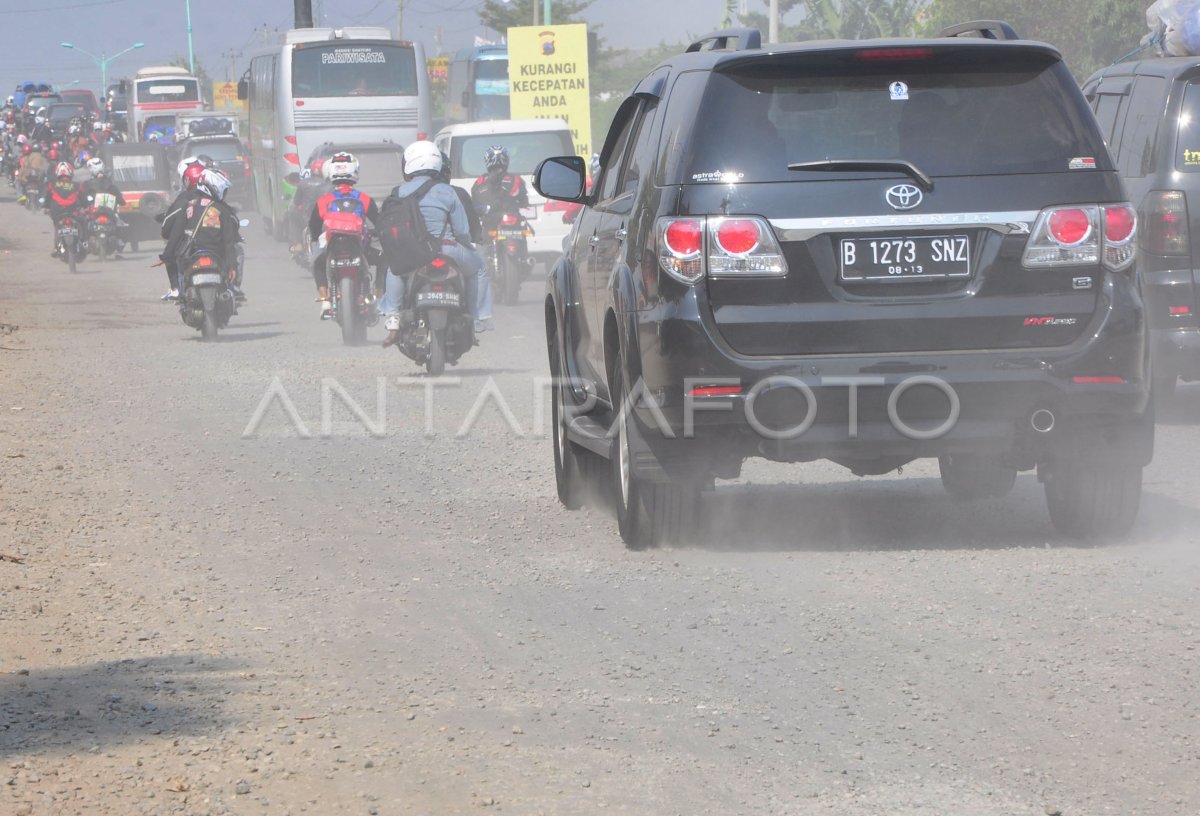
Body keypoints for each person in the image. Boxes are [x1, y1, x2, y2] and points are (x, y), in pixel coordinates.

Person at [379, 140, 489, 348]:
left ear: (408, 164)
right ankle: (476, 319)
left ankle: (392, 316)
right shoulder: (448, 191)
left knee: (395, 269)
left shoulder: (399, 192)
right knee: (480, 268)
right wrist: (468, 247)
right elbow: (462, 231)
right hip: (449, 249)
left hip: (412, 253)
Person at [307, 151, 381, 319]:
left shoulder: (324, 200)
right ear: (355, 171)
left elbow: (314, 226)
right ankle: (378, 296)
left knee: (318, 264)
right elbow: (379, 221)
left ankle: (325, 300)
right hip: (360, 247)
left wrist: (315, 238)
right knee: (384, 260)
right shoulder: (364, 198)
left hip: (333, 248)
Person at [162, 167, 242, 298]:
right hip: (216, 255)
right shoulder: (222, 209)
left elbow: (175, 235)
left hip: (190, 255)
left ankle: (178, 292)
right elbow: (229, 241)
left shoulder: (187, 205)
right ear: (216, 187)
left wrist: (167, 255)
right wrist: (232, 266)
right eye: (225, 190)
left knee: (179, 265)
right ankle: (232, 288)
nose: (226, 193)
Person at [158, 158, 207, 300]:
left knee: (173, 255)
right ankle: (233, 287)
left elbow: (169, 227)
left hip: (192, 246)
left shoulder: (183, 201)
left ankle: (176, 290)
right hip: (212, 244)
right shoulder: (215, 199)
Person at [470, 144, 529, 230]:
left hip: (510, 224)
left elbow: (474, 204)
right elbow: (524, 201)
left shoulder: (481, 181)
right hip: (494, 225)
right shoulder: (516, 179)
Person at [43, 161, 86, 257]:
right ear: (71, 172)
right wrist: (86, 207)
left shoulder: (52, 184)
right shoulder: (77, 185)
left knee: (57, 227)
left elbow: (47, 199)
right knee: (82, 223)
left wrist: (45, 207)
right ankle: (83, 243)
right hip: (72, 211)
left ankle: (56, 247)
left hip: (57, 213)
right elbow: (84, 200)